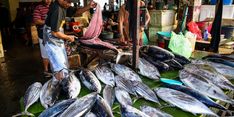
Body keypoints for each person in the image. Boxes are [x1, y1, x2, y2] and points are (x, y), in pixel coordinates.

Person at [43, 0, 96, 84]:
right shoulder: (57, 9)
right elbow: (54, 32)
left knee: (63, 60)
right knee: (58, 64)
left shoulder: (64, 5)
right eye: (67, 1)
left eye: (70, 2)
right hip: (52, 37)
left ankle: (63, 81)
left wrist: (89, 6)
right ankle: (59, 84)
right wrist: (68, 37)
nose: (69, 4)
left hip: (57, 33)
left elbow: (76, 12)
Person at [33, 0, 52, 78]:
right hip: (43, 34)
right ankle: (46, 70)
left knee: (53, 52)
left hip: (55, 33)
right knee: (45, 53)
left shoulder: (54, 6)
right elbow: (37, 21)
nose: (48, 0)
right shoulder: (38, 8)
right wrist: (49, 22)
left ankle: (54, 68)